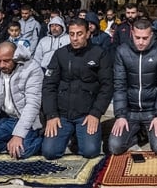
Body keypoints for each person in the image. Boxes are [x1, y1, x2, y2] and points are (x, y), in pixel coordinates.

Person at [41, 19, 113, 159]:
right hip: (62, 115)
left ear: (87, 34)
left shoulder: (99, 54)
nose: (75, 38)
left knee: (90, 152)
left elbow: (107, 86)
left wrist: (96, 113)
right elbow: (49, 85)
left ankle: (84, 136)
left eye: (79, 34)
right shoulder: (60, 54)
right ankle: (71, 135)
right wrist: (51, 115)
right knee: (49, 153)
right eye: (72, 34)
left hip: (86, 115)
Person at [109, 19, 157, 155]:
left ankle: (148, 132)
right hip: (130, 111)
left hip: (152, 111)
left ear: (152, 35)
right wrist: (120, 115)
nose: (141, 42)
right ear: (132, 34)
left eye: (145, 38)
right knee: (115, 147)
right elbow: (119, 86)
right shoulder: (122, 51)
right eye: (137, 37)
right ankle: (139, 134)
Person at [0, 42, 44, 159]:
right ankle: (8, 143)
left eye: (6, 61)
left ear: (16, 57)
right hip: (7, 119)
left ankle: (41, 137)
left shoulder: (32, 68)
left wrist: (18, 135)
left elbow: (33, 105)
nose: (1, 65)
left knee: (21, 152)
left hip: (30, 120)